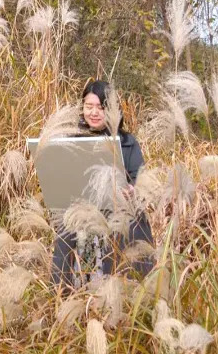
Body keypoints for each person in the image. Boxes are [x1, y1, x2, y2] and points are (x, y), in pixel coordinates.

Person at [51, 80, 154, 290]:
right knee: (67, 227)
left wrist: (134, 188)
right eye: (89, 107)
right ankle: (65, 293)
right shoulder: (73, 138)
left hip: (118, 206)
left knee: (135, 222)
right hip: (82, 206)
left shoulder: (127, 142)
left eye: (101, 107)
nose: (94, 113)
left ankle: (129, 287)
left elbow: (139, 176)